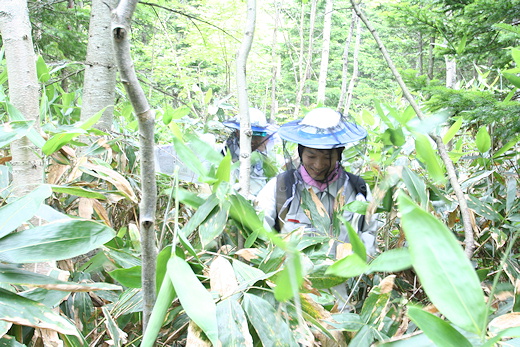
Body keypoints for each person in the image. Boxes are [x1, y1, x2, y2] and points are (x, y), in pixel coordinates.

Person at [255, 107, 378, 257]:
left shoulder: (358, 190)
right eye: (311, 157)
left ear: (339, 154)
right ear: (300, 153)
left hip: (342, 278)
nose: (319, 165)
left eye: (327, 157)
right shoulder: (280, 187)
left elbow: (369, 232)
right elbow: (259, 233)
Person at [223, 108, 280, 196]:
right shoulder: (223, 153)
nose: (252, 140)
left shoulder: (267, 159)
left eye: (257, 135)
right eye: (249, 135)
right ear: (237, 132)